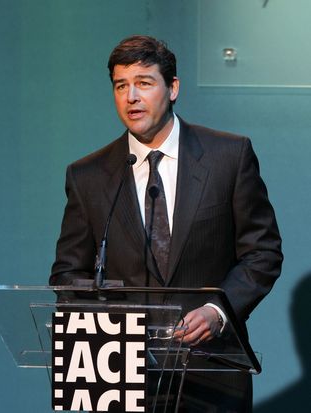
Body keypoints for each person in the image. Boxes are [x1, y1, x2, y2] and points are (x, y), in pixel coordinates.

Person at [50, 35, 283, 412]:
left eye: (143, 83)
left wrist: (218, 310)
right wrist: (107, 326)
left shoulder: (228, 157)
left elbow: (263, 253)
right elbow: (67, 274)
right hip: (118, 376)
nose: (131, 98)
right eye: (120, 86)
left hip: (210, 371)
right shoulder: (88, 176)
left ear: (172, 88)